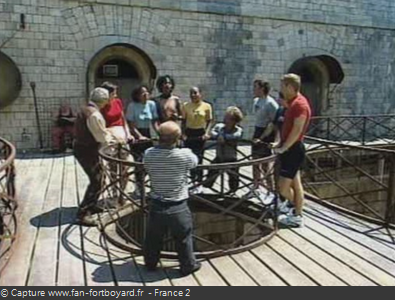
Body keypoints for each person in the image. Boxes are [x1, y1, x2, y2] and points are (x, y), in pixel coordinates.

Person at [143, 121, 201, 276]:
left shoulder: (149, 153)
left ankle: (150, 263)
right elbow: (195, 163)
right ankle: (188, 265)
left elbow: (146, 166)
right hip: (178, 205)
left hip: (156, 204)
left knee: (153, 238)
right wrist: (184, 147)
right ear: (178, 138)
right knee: (183, 238)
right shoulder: (184, 154)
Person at [272, 74, 312, 227]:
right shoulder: (293, 102)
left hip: (293, 149)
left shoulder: (300, 104)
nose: (281, 90)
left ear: (289, 86)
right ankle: (297, 214)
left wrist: (284, 148)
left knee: (283, 188)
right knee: (296, 184)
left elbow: (297, 130)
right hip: (290, 148)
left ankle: (296, 210)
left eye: (283, 86)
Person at [74, 88, 117, 226]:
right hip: (87, 149)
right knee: (96, 180)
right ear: (104, 101)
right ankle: (82, 214)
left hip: (82, 147)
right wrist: (114, 139)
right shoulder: (95, 115)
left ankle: (92, 205)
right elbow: (101, 136)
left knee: (100, 177)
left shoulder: (84, 109)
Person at [126, 85, 160, 197]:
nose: (146, 95)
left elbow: (154, 121)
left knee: (150, 161)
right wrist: (139, 136)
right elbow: (130, 124)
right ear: (137, 95)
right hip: (136, 135)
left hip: (147, 133)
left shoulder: (151, 104)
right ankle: (139, 187)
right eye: (142, 93)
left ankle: (151, 186)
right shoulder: (132, 106)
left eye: (147, 93)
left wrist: (160, 132)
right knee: (139, 162)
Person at [204, 106, 244, 193]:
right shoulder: (219, 126)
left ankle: (233, 191)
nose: (225, 119)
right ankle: (206, 187)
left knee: (234, 177)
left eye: (228, 118)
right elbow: (212, 132)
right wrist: (219, 135)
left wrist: (224, 137)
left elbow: (236, 136)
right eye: (226, 117)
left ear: (234, 121)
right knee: (211, 171)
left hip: (231, 158)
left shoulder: (238, 129)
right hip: (219, 156)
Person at [182, 87, 213, 194]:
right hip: (189, 132)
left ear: (200, 94)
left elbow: (209, 121)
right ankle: (192, 180)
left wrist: (206, 133)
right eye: (191, 93)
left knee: (199, 158)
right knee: (189, 158)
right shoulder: (186, 106)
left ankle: (199, 183)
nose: (193, 95)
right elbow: (183, 121)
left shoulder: (206, 106)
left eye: (195, 93)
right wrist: (183, 133)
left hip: (200, 133)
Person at [250, 80, 279, 198]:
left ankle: (270, 191)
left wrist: (262, 137)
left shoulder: (271, 103)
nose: (254, 90)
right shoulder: (256, 101)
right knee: (254, 161)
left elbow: (273, 124)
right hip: (257, 130)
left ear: (262, 89)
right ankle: (256, 186)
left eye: (256, 87)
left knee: (265, 164)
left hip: (266, 133)